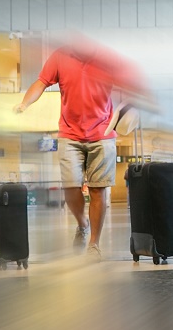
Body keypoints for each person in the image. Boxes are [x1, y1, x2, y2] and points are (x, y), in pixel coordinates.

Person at [13, 35, 152, 260]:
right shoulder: (60, 55)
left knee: (98, 190)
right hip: (69, 133)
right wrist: (24, 103)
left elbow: (130, 83)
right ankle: (82, 223)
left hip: (103, 134)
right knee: (70, 188)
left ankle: (94, 244)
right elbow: (41, 82)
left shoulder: (107, 58)